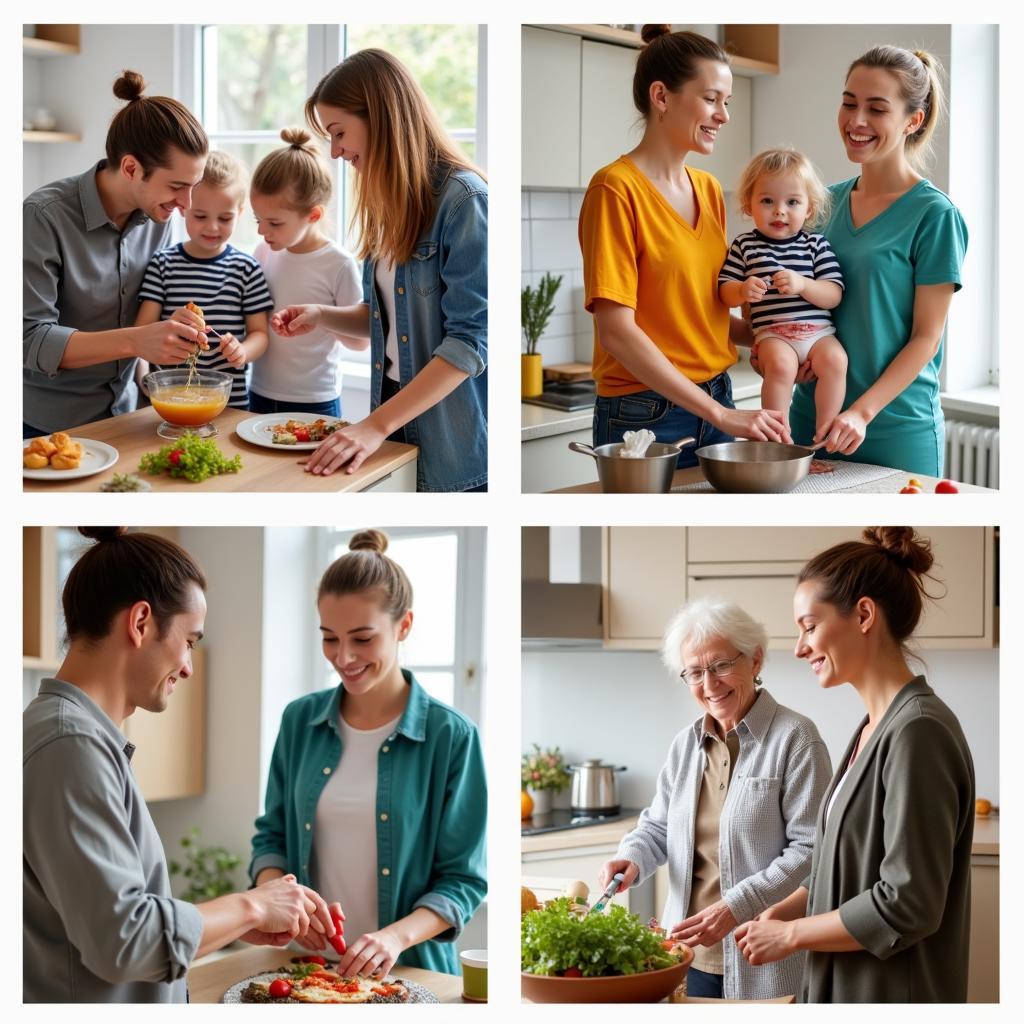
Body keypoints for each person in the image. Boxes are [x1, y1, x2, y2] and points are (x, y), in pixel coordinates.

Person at [23, 528, 337, 1003]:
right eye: (190, 640)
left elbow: (120, 920)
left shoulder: (74, 736)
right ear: (141, 622)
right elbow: (125, 941)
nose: (189, 666)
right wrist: (250, 905)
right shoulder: (70, 746)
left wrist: (231, 924)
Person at [734, 528, 975, 1003]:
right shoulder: (873, 727)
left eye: (810, 625)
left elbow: (907, 904)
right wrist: (788, 908)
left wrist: (792, 936)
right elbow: (844, 867)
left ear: (864, 615)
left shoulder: (917, 732)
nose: (800, 647)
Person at [250, 530, 487, 975]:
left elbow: (464, 879)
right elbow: (272, 839)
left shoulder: (451, 737)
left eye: (362, 638)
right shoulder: (299, 722)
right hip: (305, 972)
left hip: (411, 975)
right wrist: (279, 900)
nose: (343, 657)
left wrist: (393, 938)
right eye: (329, 638)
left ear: (405, 626)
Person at [271, 49, 488, 491]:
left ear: (381, 117)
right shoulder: (387, 205)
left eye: (338, 133)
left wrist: (374, 426)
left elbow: (468, 343)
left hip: (448, 433)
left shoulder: (465, 201)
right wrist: (323, 315)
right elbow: (391, 321)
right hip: (391, 414)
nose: (333, 151)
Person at [578, 25, 790, 469]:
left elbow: (701, 312)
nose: (724, 115)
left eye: (726, 102)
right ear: (662, 96)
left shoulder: (709, 189)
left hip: (718, 396)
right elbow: (616, 331)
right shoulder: (615, 189)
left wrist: (777, 342)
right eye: (711, 99)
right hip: (646, 413)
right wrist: (718, 414)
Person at [599, 597, 831, 1000]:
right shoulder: (685, 745)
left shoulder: (797, 738)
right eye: (694, 672)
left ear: (755, 660)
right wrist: (632, 855)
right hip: (682, 954)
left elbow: (811, 848)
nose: (709, 685)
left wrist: (735, 906)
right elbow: (657, 826)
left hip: (760, 955)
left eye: (722, 665)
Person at [785, 47, 968, 474]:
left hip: (895, 431)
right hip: (810, 424)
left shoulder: (934, 215)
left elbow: (927, 338)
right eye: (849, 103)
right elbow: (803, 305)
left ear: (913, 120)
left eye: (876, 109)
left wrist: (862, 413)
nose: (856, 121)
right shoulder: (820, 204)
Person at [23, 70, 210, 437]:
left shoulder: (160, 217)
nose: (186, 204)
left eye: (194, 187)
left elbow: (148, 302)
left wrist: (171, 327)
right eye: (177, 186)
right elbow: (28, 339)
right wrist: (136, 339)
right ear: (130, 167)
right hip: (44, 428)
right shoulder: (43, 216)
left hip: (127, 418)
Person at [719, 149, 846, 438]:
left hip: (818, 333)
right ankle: (778, 435)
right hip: (773, 335)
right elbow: (724, 292)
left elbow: (833, 294)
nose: (780, 210)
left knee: (836, 361)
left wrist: (803, 285)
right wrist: (741, 289)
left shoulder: (816, 245)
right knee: (779, 365)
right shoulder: (744, 246)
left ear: (809, 209)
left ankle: (826, 430)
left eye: (792, 202)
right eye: (767, 201)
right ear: (748, 205)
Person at [135, 151, 272, 408]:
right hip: (169, 400)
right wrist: (145, 380)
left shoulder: (246, 269)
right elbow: (141, 332)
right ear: (184, 209)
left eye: (225, 218)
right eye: (200, 216)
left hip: (228, 404)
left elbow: (260, 334)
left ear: (240, 212)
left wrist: (243, 352)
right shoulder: (163, 264)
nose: (212, 227)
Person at [249, 128, 365, 418]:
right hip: (260, 392)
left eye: (274, 223)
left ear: (313, 215)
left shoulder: (338, 264)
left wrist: (319, 318)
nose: (262, 231)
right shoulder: (262, 253)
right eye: (258, 219)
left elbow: (360, 341)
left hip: (316, 400)